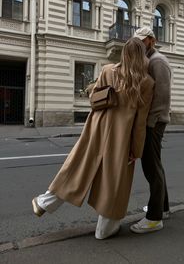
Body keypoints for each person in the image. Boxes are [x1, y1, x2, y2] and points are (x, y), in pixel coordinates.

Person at [32, 37, 154, 240]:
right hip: (121, 136)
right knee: (114, 180)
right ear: (143, 56)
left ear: (124, 54)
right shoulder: (147, 83)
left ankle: (45, 202)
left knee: (79, 167)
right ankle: (104, 230)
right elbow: (140, 122)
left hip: (97, 128)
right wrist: (136, 150)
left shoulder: (108, 70)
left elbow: (94, 98)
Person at [130, 27, 171, 234]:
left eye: (142, 41)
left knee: (151, 166)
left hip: (154, 122)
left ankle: (154, 218)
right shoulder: (150, 60)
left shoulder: (158, 61)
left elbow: (162, 97)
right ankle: (162, 208)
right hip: (152, 122)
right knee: (155, 164)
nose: (139, 44)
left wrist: (150, 123)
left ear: (151, 41)